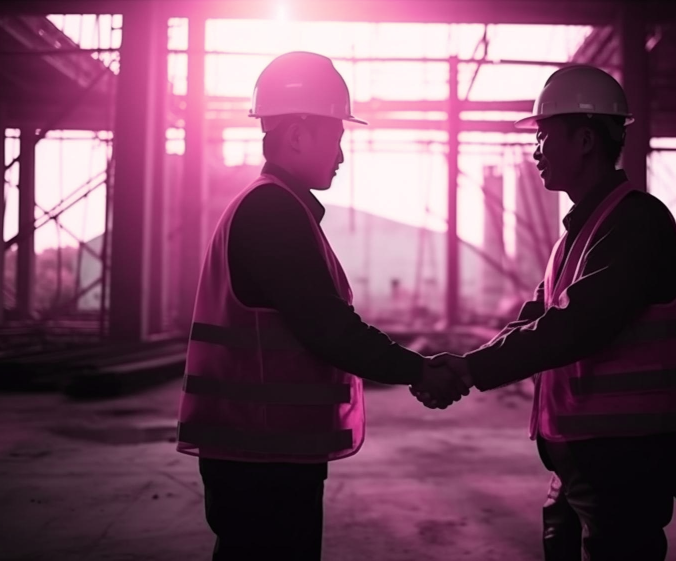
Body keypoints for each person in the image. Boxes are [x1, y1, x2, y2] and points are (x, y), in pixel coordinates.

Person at [175, 51, 471, 561]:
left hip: (265, 448)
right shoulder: (271, 212)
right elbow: (330, 328)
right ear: (296, 135)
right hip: (260, 452)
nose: (341, 155)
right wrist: (419, 370)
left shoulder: (282, 209)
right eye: (336, 138)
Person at [412, 64, 676, 561]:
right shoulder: (578, 235)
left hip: (624, 458)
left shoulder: (638, 223)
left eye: (543, 135)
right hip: (581, 456)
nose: (535, 151)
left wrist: (470, 370)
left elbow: (577, 325)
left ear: (585, 140)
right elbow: (535, 318)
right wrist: (469, 364)